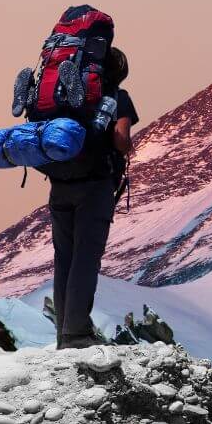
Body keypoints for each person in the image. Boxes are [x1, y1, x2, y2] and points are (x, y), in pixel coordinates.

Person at [49, 46, 138, 349]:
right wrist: (126, 148)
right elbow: (121, 139)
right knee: (85, 259)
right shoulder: (118, 97)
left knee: (64, 259)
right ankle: (76, 334)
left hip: (60, 183)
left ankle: (64, 333)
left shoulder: (66, 98)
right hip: (95, 186)